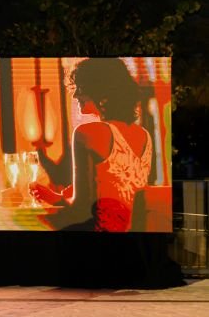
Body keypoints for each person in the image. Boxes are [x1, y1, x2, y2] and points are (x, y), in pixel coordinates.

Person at [29, 58, 153, 232]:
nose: (75, 96)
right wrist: (60, 196)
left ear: (102, 92)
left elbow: (80, 210)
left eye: (80, 88)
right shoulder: (144, 135)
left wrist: (51, 200)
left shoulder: (86, 133)